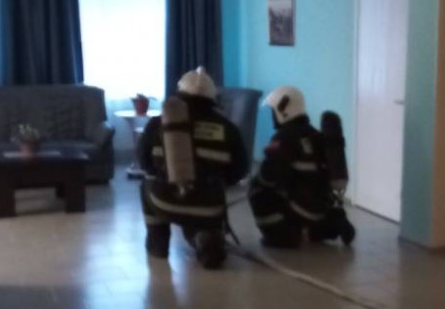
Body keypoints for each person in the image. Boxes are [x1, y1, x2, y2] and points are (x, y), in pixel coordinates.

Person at [137, 67, 249, 269]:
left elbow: (143, 163)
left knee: (145, 185)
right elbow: (240, 170)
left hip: (163, 201)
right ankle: (205, 237)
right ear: (212, 98)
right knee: (201, 215)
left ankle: (157, 244)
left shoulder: (157, 123)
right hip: (209, 205)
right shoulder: (227, 128)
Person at [249, 86, 355, 248]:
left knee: (257, 189)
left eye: (273, 111)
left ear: (283, 109)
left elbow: (267, 176)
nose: (273, 116)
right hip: (321, 207)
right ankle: (331, 222)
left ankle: (281, 236)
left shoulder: (284, 137)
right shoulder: (315, 134)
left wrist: (258, 180)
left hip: (299, 208)